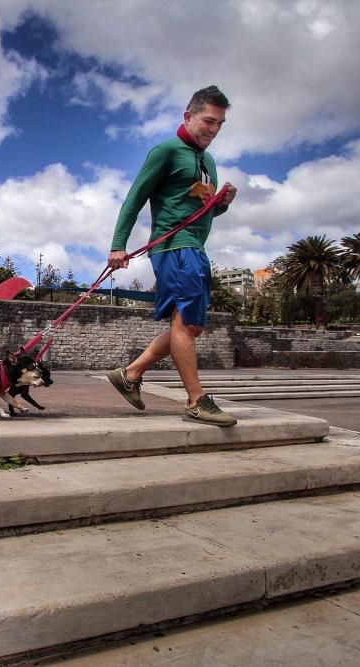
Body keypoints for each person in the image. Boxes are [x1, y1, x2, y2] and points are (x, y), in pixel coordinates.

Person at [105, 85, 238, 427]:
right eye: (209, 120)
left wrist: (221, 205)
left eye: (220, 124)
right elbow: (134, 199)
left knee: (189, 326)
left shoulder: (207, 161)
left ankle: (130, 373)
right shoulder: (165, 151)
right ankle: (196, 400)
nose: (214, 129)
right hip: (173, 247)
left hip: (195, 246)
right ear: (188, 116)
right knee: (187, 322)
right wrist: (119, 245)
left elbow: (204, 213)